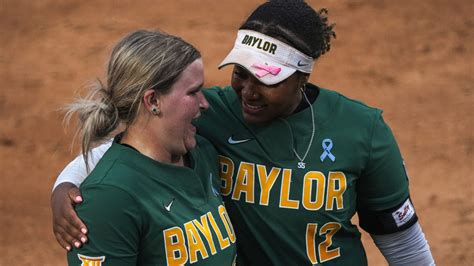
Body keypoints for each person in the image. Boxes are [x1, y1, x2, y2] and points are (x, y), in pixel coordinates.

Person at [52, 1, 435, 265]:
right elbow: (124, 149)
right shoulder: (214, 111)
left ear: (302, 76)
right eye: (240, 73)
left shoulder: (362, 130)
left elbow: (399, 237)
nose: (248, 91)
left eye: (267, 81)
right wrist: (64, 187)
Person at [56, 29, 237, 265]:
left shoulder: (202, 153)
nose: (205, 103)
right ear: (153, 101)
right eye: (193, 92)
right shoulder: (108, 200)